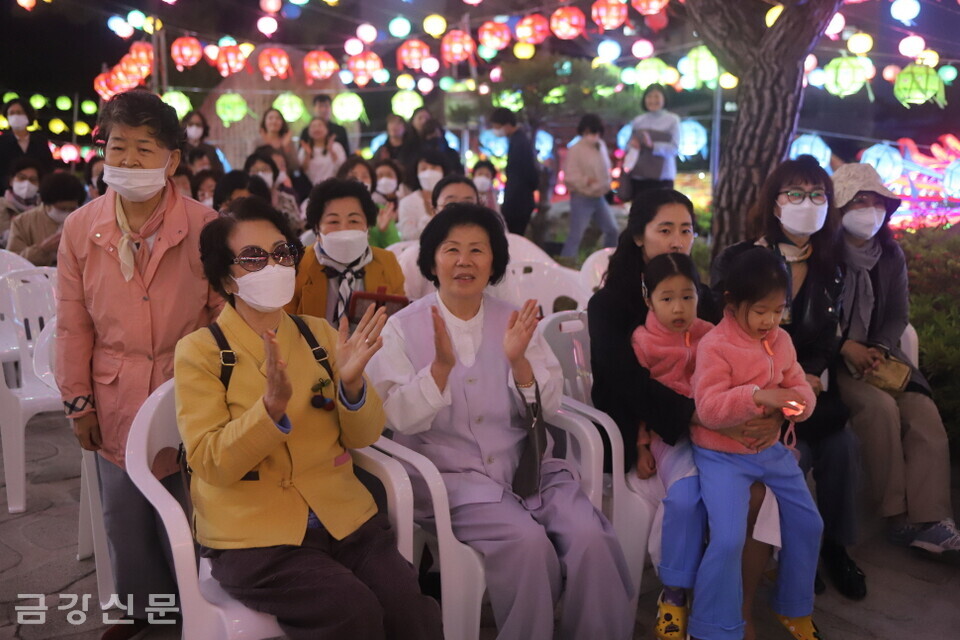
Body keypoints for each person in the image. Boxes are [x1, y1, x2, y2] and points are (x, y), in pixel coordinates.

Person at [174, 196, 441, 640]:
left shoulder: (318, 335)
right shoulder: (201, 351)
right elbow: (208, 461)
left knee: (409, 608)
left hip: (343, 518)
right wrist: (268, 411)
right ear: (226, 276)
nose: (274, 266)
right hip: (256, 536)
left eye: (282, 253)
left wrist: (353, 388)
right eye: (254, 258)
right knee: (350, 613)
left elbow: (364, 435)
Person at [368, 203, 635, 639]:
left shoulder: (512, 318)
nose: (464, 261)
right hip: (454, 479)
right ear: (432, 259)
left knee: (591, 538)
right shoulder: (401, 328)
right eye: (451, 249)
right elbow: (396, 416)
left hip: (529, 467)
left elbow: (550, 406)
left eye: (478, 250)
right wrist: (438, 371)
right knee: (526, 545)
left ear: (494, 261)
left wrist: (519, 364)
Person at [55, 89, 221, 640]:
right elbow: (72, 321)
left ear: (172, 159)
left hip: (191, 385)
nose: (127, 162)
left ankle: (200, 600)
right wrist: (78, 398)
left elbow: (226, 313)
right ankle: (142, 609)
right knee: (124, 509)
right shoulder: (82, 227)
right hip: (114, 386)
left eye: (143, 149)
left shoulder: (205, 225)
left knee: (192, 502)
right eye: (118, 147)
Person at [589, 189, 779, 640]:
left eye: (686, 230)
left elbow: (748, 359)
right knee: (711, 495)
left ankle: (736, 607)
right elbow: (625, 385)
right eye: (665, 229)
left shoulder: (707, 301)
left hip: (713, 426)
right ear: (639, 235)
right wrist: (701, 416)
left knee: (760, 492)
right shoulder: (610, 306)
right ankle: (684, 594)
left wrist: (764, 410)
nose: (678, 240)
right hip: (648, 433)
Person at [712, 155, 864, 603]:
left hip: (803, 392)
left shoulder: (829, 266)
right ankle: (789, 555)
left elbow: (825, 341)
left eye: (817, 195)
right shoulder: (740, 261)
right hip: (755, 395)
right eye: (795, 194)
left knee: (842, 446)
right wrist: (773, 399)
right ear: (774, 204)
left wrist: (812, 377)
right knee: (791, 457)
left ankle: (833, 547)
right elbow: (724, 337)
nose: (807, 203)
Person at [691, 247, 823, 640]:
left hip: (769, 451)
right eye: (761, 311)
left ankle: (793, 607)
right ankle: (714, 625)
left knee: (808, 521)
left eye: (778, 310)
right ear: (732, 303)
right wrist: (759, 397)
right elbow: (709, 408)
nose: (770, 321)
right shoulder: (715, 345)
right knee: (729, 537)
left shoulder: (781, 340)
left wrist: (796, 408)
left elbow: (799, 385)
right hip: (722, 455)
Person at [832, 162, 959, 557]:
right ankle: (897, 516)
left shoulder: (890, 254)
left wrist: (881, 349)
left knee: (922, 408)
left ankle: (932, 518)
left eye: (876, 201)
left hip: (880, 355)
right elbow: (811, 317)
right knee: (879, 408)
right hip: (832, 359)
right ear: (838, 209)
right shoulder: (821, 256)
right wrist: (845, 346)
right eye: (858, 201)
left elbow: (896, 314)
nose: (869, 209)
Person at [628, 252, 712, 640]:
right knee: (685, 496)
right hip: (670, 439)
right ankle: (674, 592)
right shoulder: (642, 342)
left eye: (687, 296)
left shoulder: (710, 335)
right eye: (667, 298)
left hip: (715, 436)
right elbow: (639, 403)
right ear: (648, 299)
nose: (679, 308)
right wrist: (642, 446)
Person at [286, 178, 404, 325]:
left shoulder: (387, 262)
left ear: (367, 226)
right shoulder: (297, 267)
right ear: (317, 228)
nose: (344, 229)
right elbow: (285, 327)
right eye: (333, 222)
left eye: (354, 221)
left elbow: (397, 322)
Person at [398, 175, 481, 301]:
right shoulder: (413, 257)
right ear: (434, 211)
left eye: (468, 204)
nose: (460, 212)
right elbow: (404, 307)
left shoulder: (487, 256)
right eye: (450, 204)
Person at [562, 114, 619, 259]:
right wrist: (586, 180)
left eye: (594, 132)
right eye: (588, 132)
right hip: (582, 196)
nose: (592, 136)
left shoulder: (600, 146)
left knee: (612, 230)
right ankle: (566, 264)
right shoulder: (576, 149)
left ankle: (608, 260)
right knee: (576, 235)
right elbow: (569, 175)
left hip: (599, 196)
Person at [7, 171, 85, 266]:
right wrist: (43, 249)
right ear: (47, 203)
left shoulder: (83, 220)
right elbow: (11, 262)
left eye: (72, 209)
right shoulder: (22, 222)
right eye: (62, 209)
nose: (67, 213)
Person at [624, 84, 680, 198]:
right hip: (639, 175)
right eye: (649, 96)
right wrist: (632, 145)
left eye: (656, 96)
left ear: (664, 99)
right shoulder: (638, 121)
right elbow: (627, 146)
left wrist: (652, 145)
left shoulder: (672, 120)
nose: (652, 100)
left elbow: (674, 149)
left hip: (663, 177)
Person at [490, 107, 539, 236]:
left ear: (506, 125)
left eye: (496, 126)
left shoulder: (519, 143)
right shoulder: (519, 140)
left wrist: (508, 204)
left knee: (514, 237)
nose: (496, 130)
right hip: (521, 200)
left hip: (518, 202)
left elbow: (521, 175)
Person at [337, 156, 400, 248]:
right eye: (353, 177)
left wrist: (384, 231)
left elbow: (396, 248)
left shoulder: (381, 211)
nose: (360, 181)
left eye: (365, 176)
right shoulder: (335, 212)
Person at [396, 148, 448, 241]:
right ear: (416, 173)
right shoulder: (407, 203)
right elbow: (407, 237)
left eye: (434, 168)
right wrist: (428, 217)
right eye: (423, 168)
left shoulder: (452, 198)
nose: (428, 173)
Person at [0, 98, 53, 187]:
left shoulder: (40, 142)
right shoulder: (2, 142)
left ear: (28, 115)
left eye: (19, 112)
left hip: (36, 192)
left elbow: (48, 168)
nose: (15, 116)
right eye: (11, 113)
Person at [244, 150, 302, 232]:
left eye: (265, 169)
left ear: (274, 173)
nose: (260, 174)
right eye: (255, 171)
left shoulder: (287, 199)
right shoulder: (244, 201)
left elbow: (296, 229)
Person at [0, 156, 45, 247]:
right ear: (11, 181)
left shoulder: (44, 210)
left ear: (39, 185)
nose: (27, 183)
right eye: (22, 178)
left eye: (33, 180)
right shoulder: (1, 206)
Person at [299, 117, 346, 187]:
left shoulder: (336, 146)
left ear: (327, 129)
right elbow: (303, 170)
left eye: (320, 125)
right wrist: (308, 155)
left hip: (335, 186)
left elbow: (343, 168)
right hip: (313, 188)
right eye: (313, 126)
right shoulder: (305, 149)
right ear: (308, 131)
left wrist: (331, 151)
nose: (317, 129)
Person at [181, 109, 227, 174]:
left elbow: (220, 173)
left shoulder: (211, 150)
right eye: (191, 124)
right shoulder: (179, 149)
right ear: (184, 125)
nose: (195, 127)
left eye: (198, 124)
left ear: (204, 127)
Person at [258, 107, 299, 176]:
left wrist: (285, 147)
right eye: (270, 118)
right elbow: (252, 165)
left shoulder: (288, 141)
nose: (274, 121)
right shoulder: (257, 142)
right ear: (264, 121)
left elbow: (295, 167)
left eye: (277, 118)